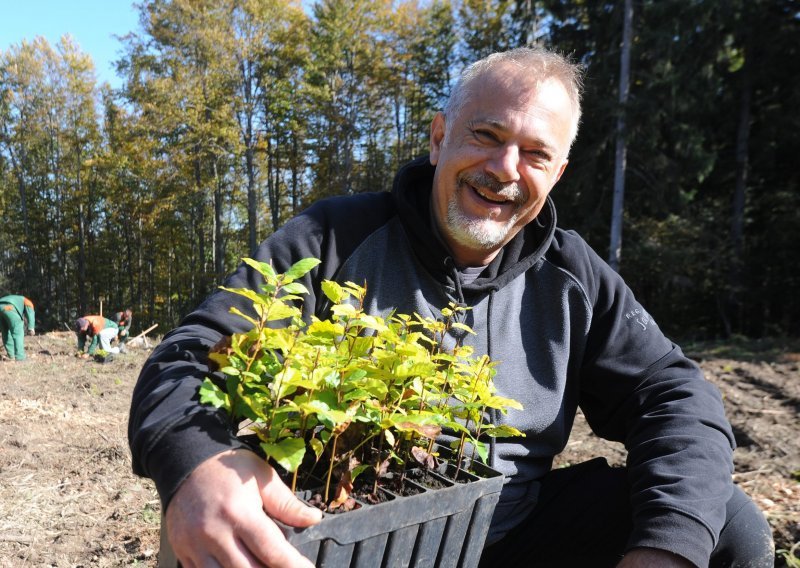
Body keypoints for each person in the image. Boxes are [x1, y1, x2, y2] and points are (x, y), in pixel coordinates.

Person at [128, 47, 773, 568]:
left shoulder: (574, 278)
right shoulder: (333, 240)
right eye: (486, 135)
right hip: (347, 536)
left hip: (514, 536)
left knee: (723, 525)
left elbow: (674, 395)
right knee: (209, 526)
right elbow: (191, 354)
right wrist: (198, 466)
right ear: (439, 138)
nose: (505, 168)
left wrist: (665, 550)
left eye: (535, 154)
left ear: (558, 174)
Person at [0, 295, 36, 361]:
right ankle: (20, 357)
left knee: (5, 332)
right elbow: (30, 314)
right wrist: (31, 328)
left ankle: (11, 355)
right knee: (18, 332)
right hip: (9, 307)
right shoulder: (28, 302)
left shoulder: (18, 299)